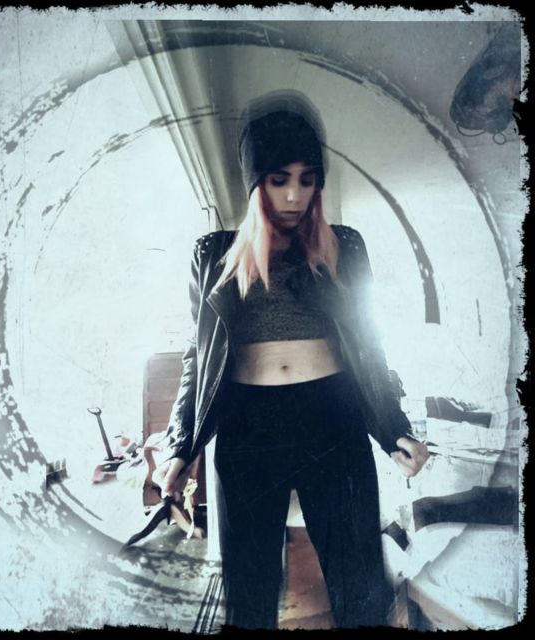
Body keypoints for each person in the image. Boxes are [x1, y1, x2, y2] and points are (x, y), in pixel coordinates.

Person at [153, 91, 429, 630]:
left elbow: (368, 346)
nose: (295, 194)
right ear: (255, 182)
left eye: (308, 179)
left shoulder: (344, 246)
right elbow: (199, 357)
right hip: (249, 428)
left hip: (333, 418)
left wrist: (394, 429)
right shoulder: (213, 254)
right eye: (279, 179)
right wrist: (179, 446)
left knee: (360, 588)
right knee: (250, 596)